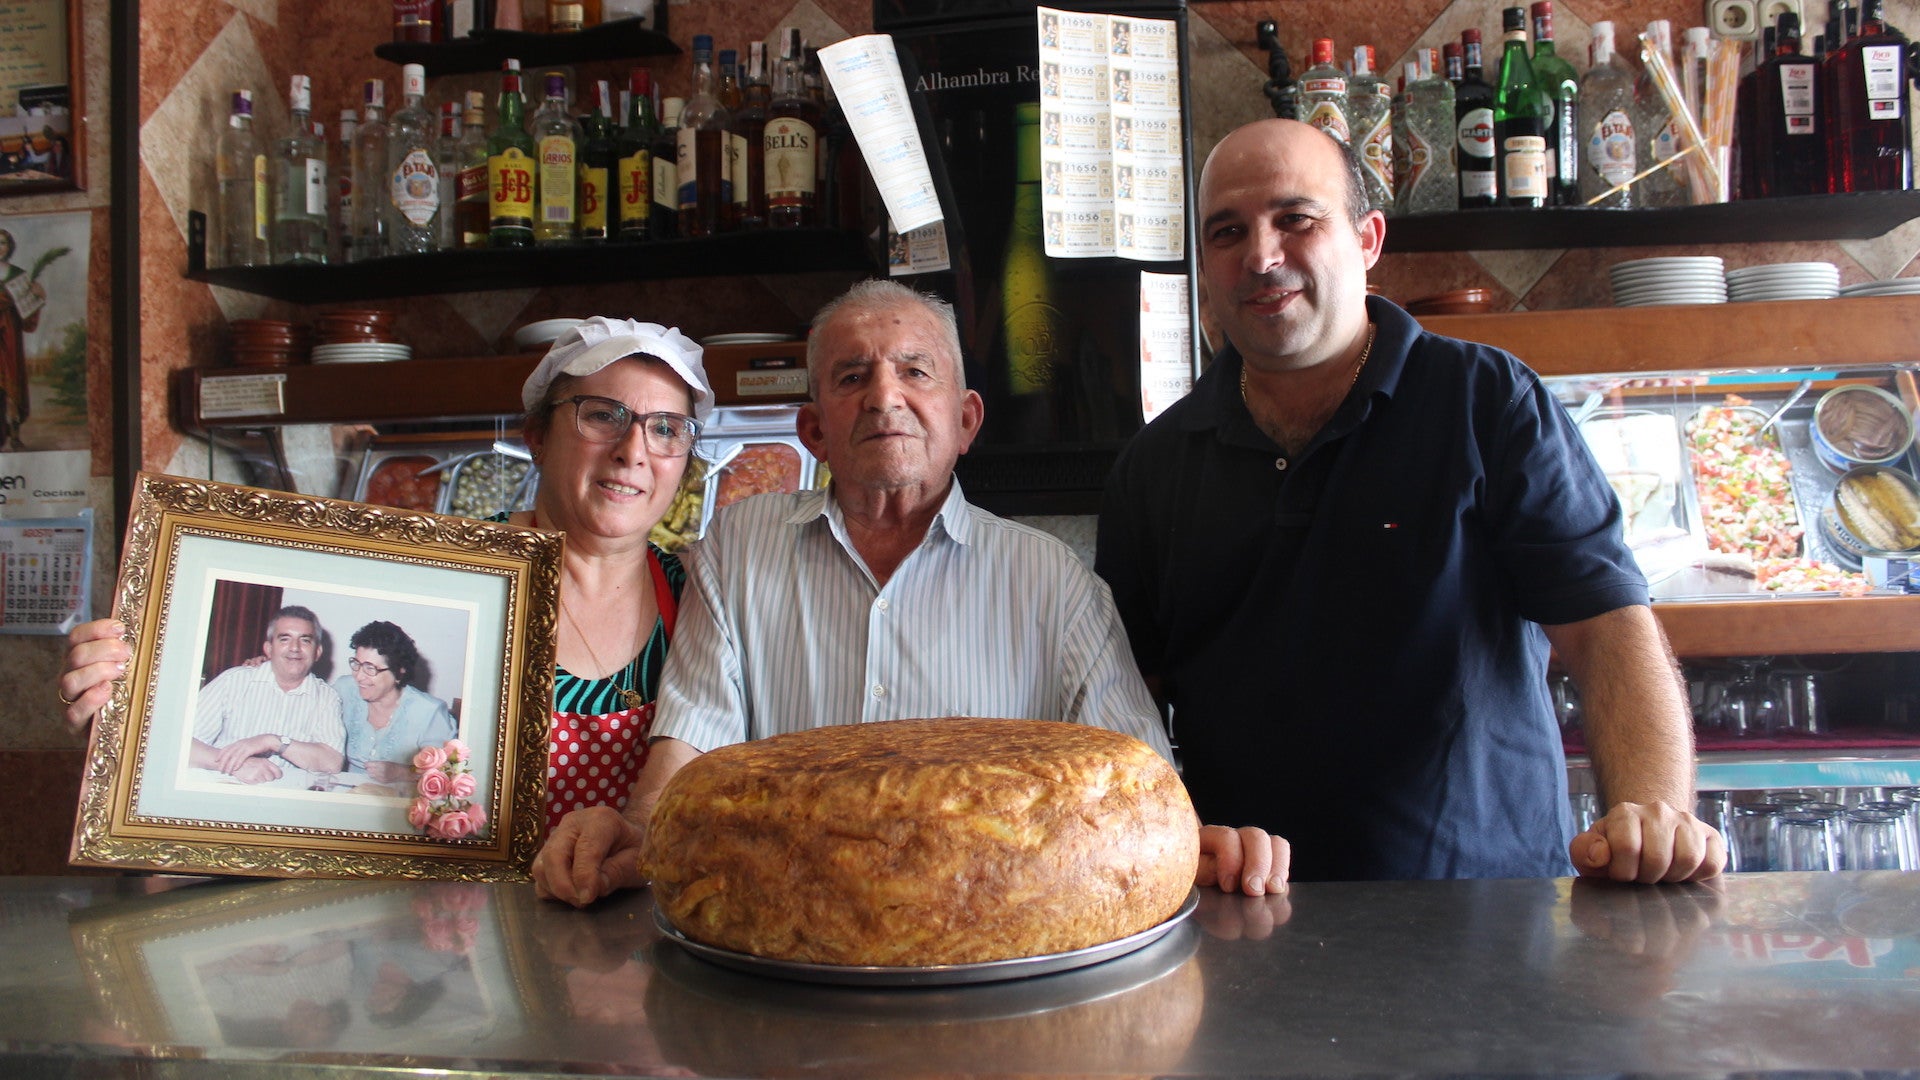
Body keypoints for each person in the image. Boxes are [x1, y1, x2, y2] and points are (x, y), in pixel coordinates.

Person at [1095, 119, 1724, 885]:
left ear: (1367, 239)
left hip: (1489, 911)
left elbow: (1607, 631)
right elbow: (1125, 708)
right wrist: (1170, 847)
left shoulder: (1486, 401)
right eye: (1229, 233)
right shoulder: (1153, 465)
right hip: (1247, 917)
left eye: (1296, 219)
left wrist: (1655, 815)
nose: (1261, 257)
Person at [533, 279, 1289, 907]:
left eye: (916, 371)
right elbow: (689, 747)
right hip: (790, 949)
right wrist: (636, 833)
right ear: (813, 431)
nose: (883, 396)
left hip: (991, 948)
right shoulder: (740, 548)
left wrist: (1196, 846)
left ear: (965, 422)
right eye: (851, 376)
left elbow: (1135, 782)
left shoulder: (1053, 582)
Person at [59, 318, 714, 834]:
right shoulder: (442, 571)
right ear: (537, 435)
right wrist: (136, 702)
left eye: (666, 429)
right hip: (455, 944)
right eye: (603, 415)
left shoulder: (703, 603)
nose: (634, 451)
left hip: (625, 953)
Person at [189, 606, 346, 784]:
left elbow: (332, 763)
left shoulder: (327, 698)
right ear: (269, 649)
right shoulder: (233, 681)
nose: (295, 648)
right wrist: (236, 764)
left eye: (305, 640)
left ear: (317, 652)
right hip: (226, 785)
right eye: (285, 639)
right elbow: (184, 744)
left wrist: (274, 741)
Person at [334, 620, 457, 784]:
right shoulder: (344, 689)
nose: (359, 676)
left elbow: (448, 774)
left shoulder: (429, 712)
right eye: (357, 664)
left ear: (399, 672)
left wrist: (402, 773)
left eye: (370, 668)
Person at [0, 228, 44, 449]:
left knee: (11, 388)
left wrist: (37, 297)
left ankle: (15, 435)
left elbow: (27, 318)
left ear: (9, 247)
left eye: (3, 243)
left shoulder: (18, 276)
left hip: (9, 337)